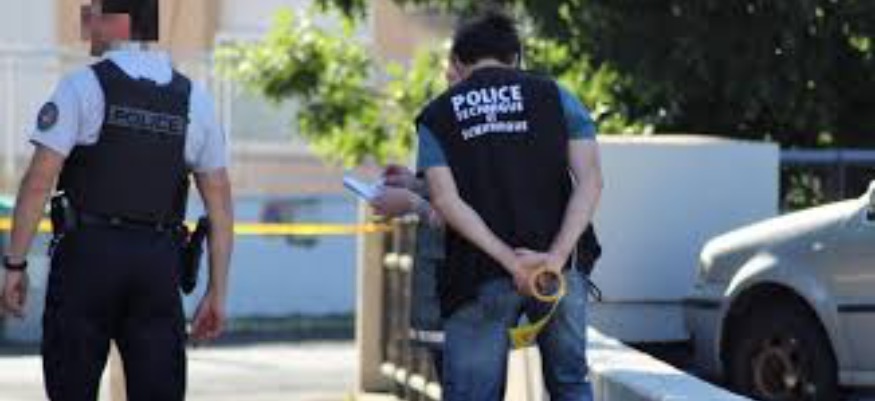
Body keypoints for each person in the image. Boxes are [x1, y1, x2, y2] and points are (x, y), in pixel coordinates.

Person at [0, 1, 234, 400]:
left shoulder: (82, 86)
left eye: (93, 13)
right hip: (158, 263)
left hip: (87, 260)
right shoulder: (195, 99)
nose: (87, 23)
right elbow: (221, 205)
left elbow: (38, 182)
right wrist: (217, 292)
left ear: (119, 22)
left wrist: (15, 265)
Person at [417, 11, 604, 401]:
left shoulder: (438, 115)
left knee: (473, 394)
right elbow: (591, 182)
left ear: (457, 63)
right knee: (570, 383)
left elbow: (446, 201)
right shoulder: (555, 97)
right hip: (558, 272)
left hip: (476, 275)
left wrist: (510, 262)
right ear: (515, 58)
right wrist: (554, 259)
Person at [369, 62, 463, 381]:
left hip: (463, 287)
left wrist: (412, 203)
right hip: (443, 289)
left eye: (456, 71)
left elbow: (467, 210)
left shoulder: (471, 127)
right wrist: (413, 183)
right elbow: (447, 191)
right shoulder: (446, 120)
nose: (448, 79)